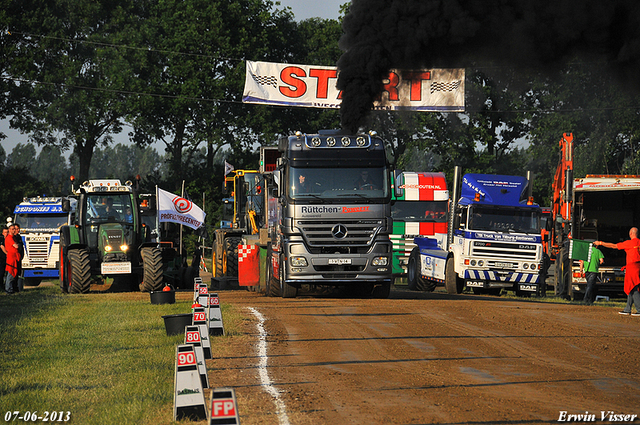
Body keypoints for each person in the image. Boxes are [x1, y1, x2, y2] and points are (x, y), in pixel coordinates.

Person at [595, 227, 640, 316]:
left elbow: (614, 246)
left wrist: (601, 243)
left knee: (633, 288)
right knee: (633, 288)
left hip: (632, 268)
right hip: (638, 267)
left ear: (630, 234)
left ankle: (638, 309)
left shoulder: (629, 243)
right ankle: (628, 309)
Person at [4, 224, 21, 294]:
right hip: (11, 258)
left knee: (14, 273)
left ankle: (12, 288)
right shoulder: (9, 238)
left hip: (15, 257)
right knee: (11, 273)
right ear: (9, 230)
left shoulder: (14, 237)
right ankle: (8, 289)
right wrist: (18, 246)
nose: (15, 230)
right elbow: (16, 246)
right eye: (13, 229)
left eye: (15, 229)